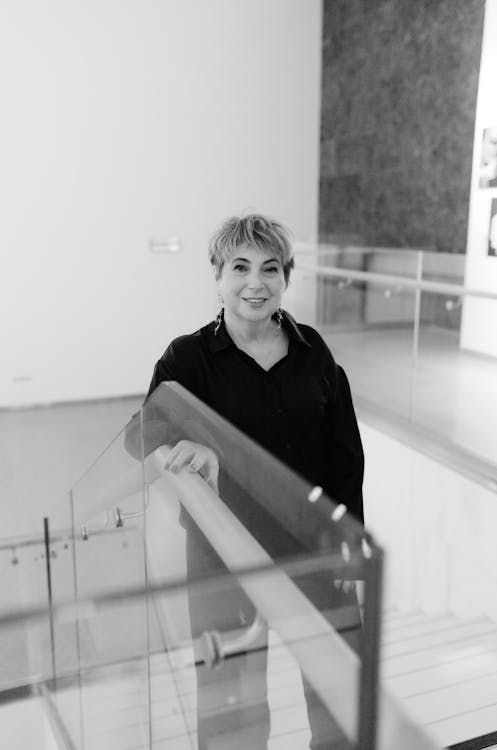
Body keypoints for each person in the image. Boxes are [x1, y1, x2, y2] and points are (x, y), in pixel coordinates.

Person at [137, 213, 364, 749]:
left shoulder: (314, 351)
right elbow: (140, 434)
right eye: (239, 267)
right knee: (231, 706)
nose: (255, 283)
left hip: (311, 551)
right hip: (223, 559)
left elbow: (345, 459)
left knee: (337, 698)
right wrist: (181, 444)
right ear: (218, 276)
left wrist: (350, 549)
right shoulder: (187, 357)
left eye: (270, 268)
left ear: (287, 277)